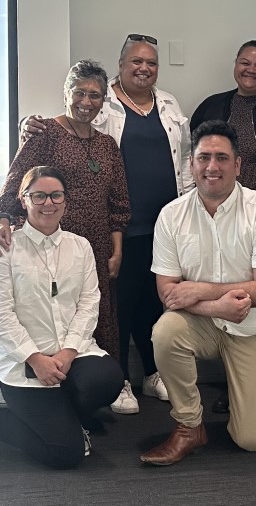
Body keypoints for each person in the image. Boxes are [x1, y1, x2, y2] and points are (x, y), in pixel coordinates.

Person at [19, 35, 194, 414]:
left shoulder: (168, 104)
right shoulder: (96, 107)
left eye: (151, 62)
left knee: (156, 300)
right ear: (121, 64)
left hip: (161, 225)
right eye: (136, 61)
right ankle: (119, 379)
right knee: (119, 305)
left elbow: (184, 160)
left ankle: (153, 372)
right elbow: (34, 163)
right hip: (114, 228)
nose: (143, 67)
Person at [140, 120, 256, 466]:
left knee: (251, 440)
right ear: (191, 164)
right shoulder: (171, 216)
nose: (213, 167)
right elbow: (169, 293)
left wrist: (202, 290)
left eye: (222, 158)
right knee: (165, 331)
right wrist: (217, 307)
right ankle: (189, 425)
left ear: (237, 166)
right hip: (207, 321)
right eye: (204, 157)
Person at [0, 166, 124, 468]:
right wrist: (35, 358)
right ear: (24, 200)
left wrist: (69, 351)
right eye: (39, 196)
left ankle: (67, 422)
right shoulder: (4, 248)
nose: (48, 203)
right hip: (25, 366)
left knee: (108, 379)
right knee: (66, 454)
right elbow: (0, 314)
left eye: (55, 195)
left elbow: (90, 303)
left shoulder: (80, 246)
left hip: (70, 355)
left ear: (65, 200)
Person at [0, 60, 130, 374]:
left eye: (95, 95)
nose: (86, 102)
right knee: (50, 312)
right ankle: (44, 375)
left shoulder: (107, 145)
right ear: (66, 93)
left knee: (97, 314)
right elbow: (16, 182)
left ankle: (107, 384)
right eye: (79, 93)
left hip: (96, 246)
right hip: (50, 244)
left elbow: (118, 204)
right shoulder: (44, 133)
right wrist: (3, 221)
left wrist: (116, 250)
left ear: (103, 100)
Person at [190, 40, 256, 414]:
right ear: (235, 65)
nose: (251, 70)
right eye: (244, 62)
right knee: (227, 286)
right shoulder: (211, 106)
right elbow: (198, 157)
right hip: (220, 219)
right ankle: (234, 376)